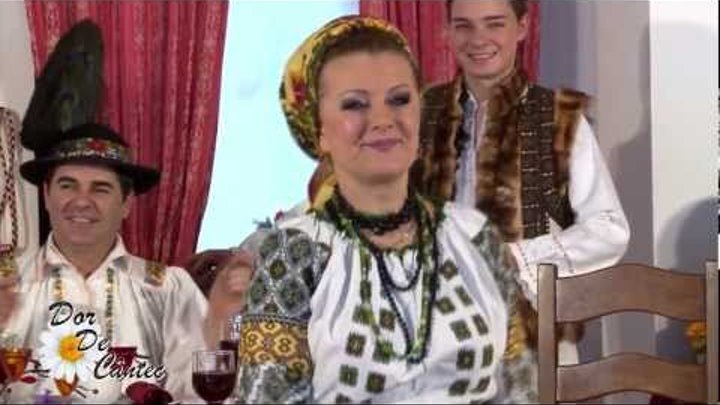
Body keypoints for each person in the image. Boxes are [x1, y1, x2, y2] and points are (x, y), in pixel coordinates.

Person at [230, 15, 533, 404]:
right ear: (319, 129)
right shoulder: (295, 253)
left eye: (399, 99)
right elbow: (269, 397)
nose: (383, 120)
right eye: (355, 105)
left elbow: (519, 387)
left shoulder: (476, 236)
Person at [413, 0, 630, 372]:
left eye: (494, 23)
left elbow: (609, 229)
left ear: (523, 27)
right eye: (463, 25)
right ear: (446, 32)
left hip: (532, 340)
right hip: (436, 338)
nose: (478, 39)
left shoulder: (559, 117)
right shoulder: (420, 112)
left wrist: (514, 257)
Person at [0, 123, 207, 403]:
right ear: (46, 196)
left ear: (126, 204)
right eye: (67, 185)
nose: (81, 202)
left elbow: (202, 394)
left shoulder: (169, 290)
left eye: (100, 189)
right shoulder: (7, 285)